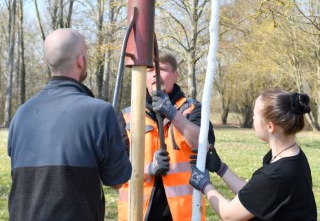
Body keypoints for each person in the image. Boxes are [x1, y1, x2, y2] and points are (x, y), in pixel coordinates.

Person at [8, 28, 132, 221]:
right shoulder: (100, 113)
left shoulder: (21, 114)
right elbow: (117, 180)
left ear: (48, 62)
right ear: (80, 61)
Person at [190, 89, 317, 220]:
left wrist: (204, 184)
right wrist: (220, 168)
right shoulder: (292, 157)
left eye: (255, 114)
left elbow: (229, 215)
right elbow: (254, 196)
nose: (253, 118)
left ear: (270, 126)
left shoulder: (277, 174)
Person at [118, 50, 215, 221]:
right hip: (136, 214)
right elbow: (117, 170)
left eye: (162, 69)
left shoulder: (192, 110)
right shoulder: (127, 116)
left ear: (175, 75)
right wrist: (149, 169)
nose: (155, 74)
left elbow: (203, 146)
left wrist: (172, 113)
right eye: (149, 70)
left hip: (182, 214)